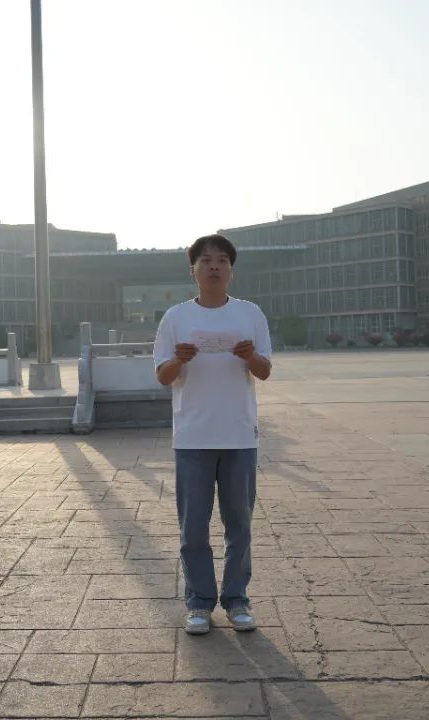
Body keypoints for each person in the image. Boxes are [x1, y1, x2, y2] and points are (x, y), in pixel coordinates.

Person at [153, 233, 273, 635]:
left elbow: (265, 371)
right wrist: (178, 359)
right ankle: (199, 603)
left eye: (222, 260)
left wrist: (249, 356)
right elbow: (163, 376)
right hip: (193, 436)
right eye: (206, 260)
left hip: (239, 435)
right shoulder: (175, 318)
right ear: (193, 270)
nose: (214, 266)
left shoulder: (250, 313)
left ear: (231, 270)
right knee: (193, 529)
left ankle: (237, 600)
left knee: (240, 524)